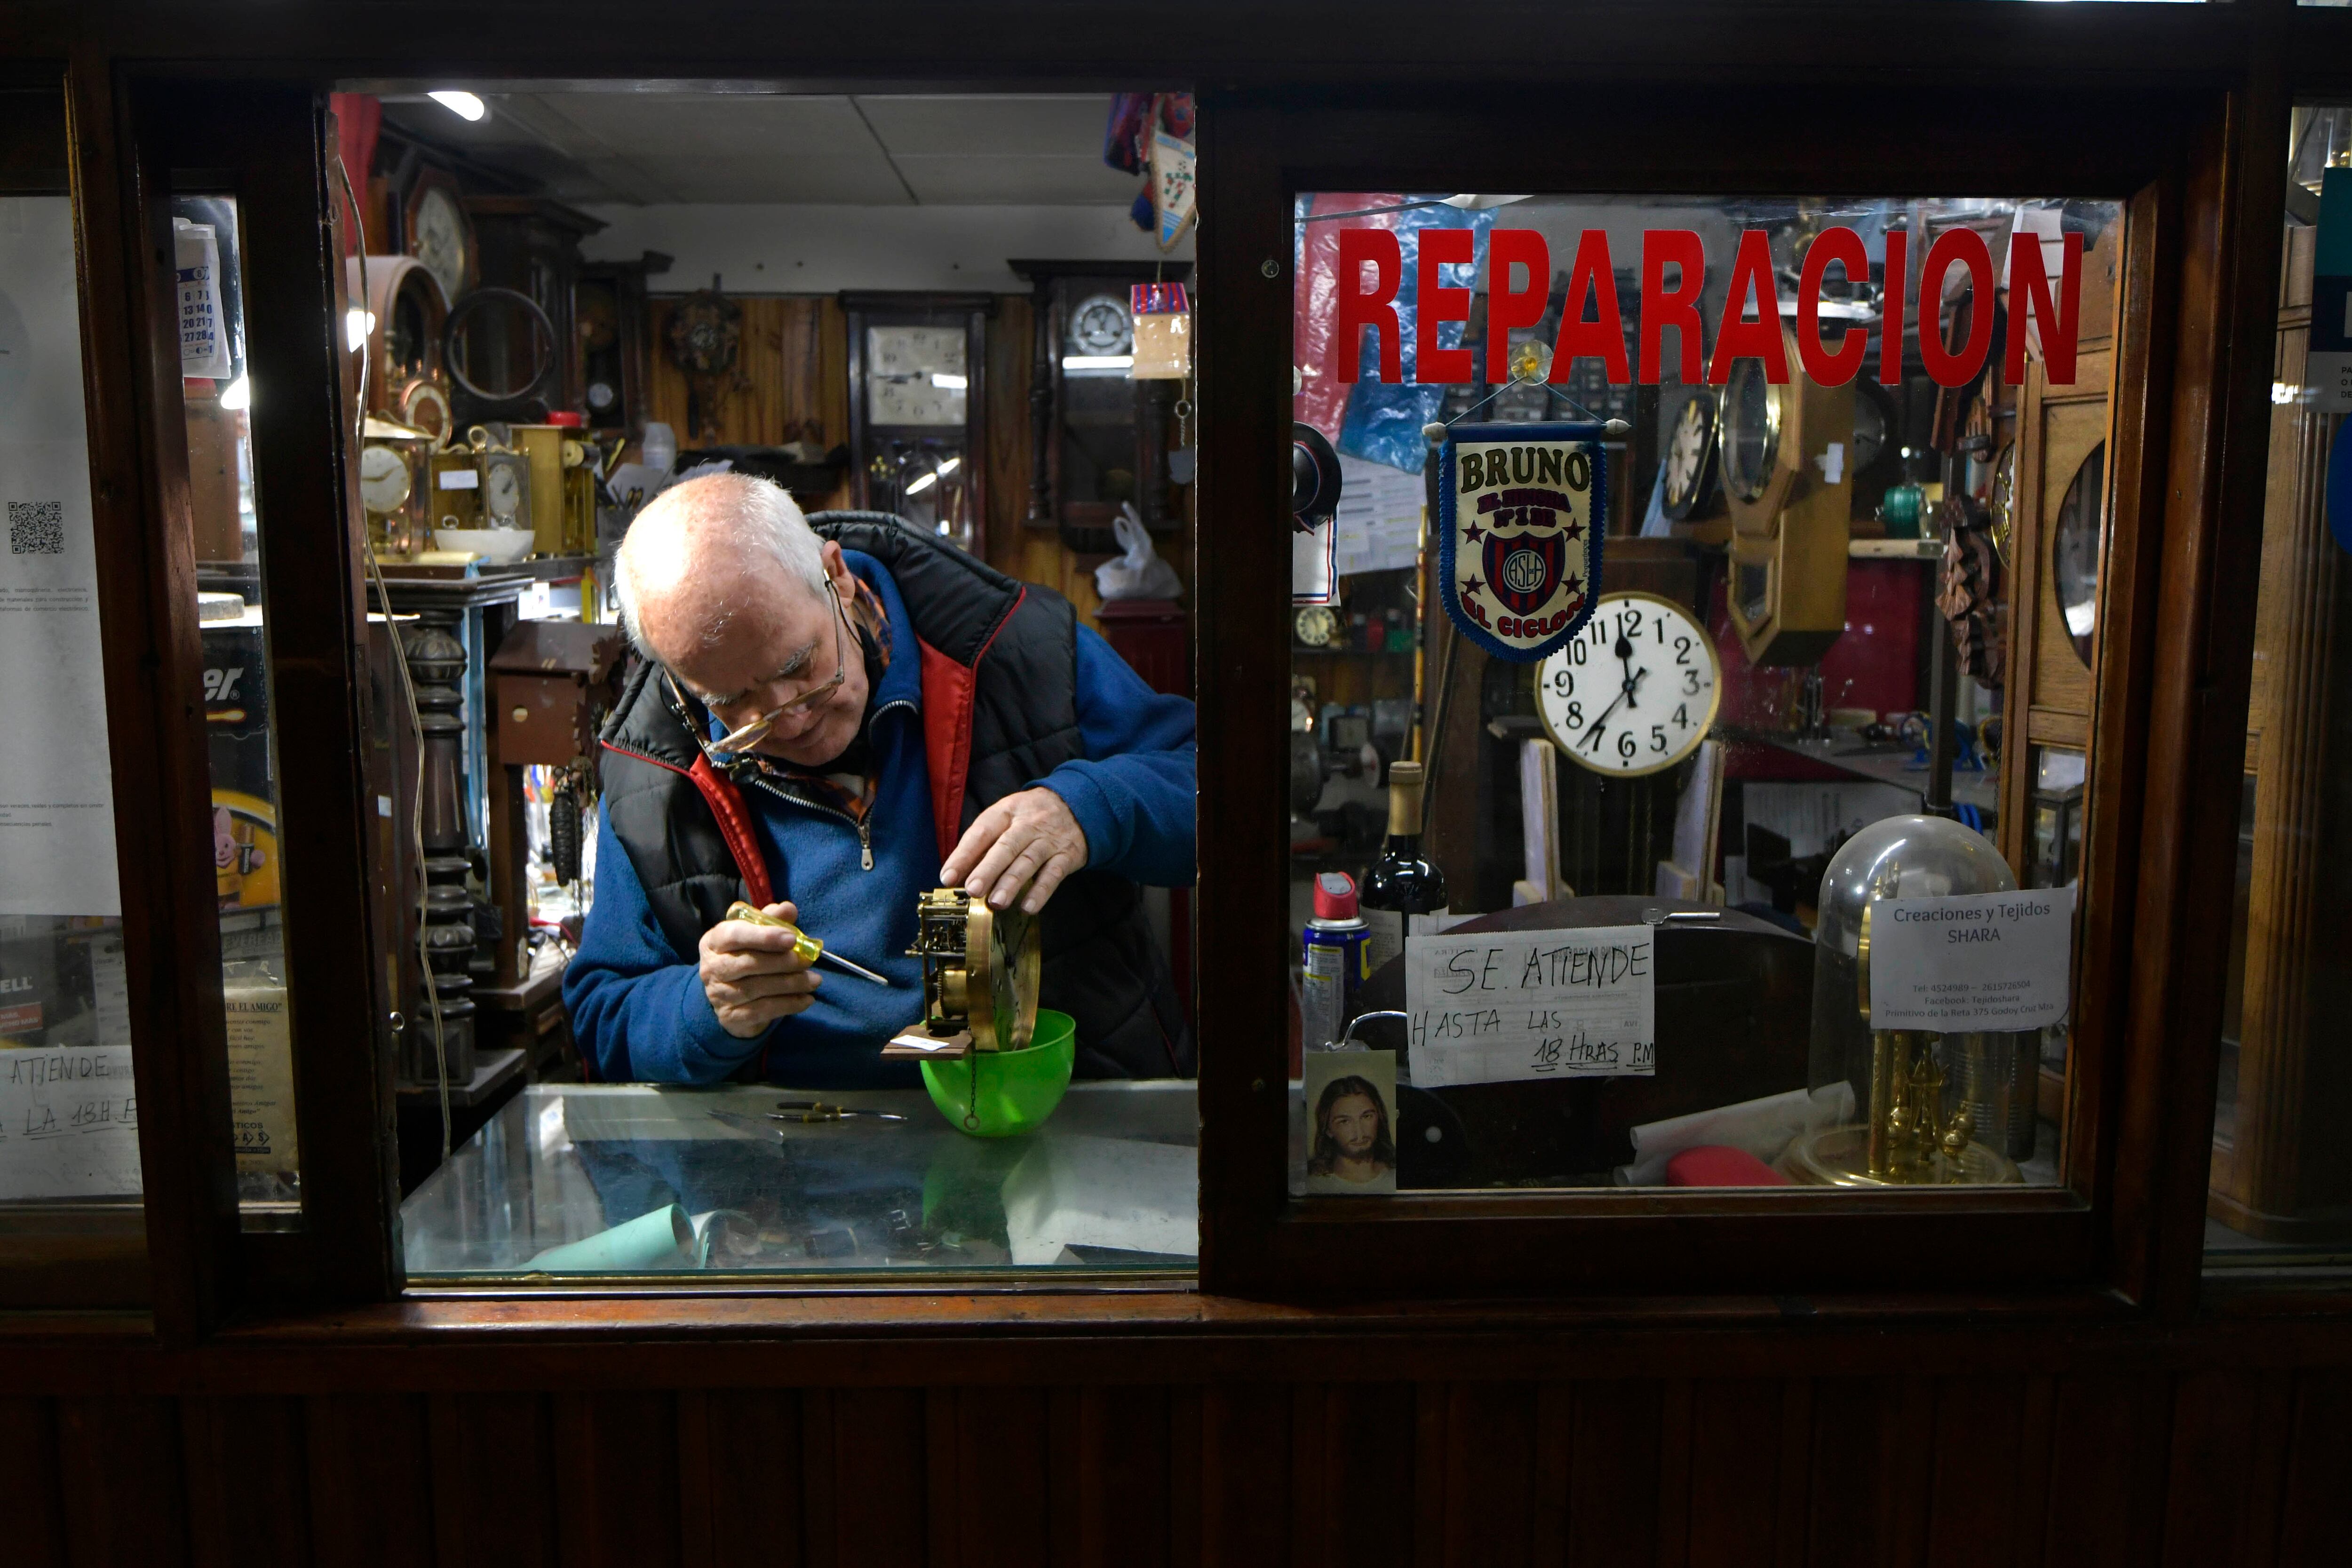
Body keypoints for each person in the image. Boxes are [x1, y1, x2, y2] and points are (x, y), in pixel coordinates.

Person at [564, 473, 1195, 1086]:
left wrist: (1088, 808)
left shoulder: (1017, 652)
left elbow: (1224, 794)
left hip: (1052, 1112)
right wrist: (704, 1011)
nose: (792, 716)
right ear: (682, 680)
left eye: (800, 664)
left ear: (836, 577)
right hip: (792, 1152)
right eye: (734, 702)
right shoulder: (655, 768)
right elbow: (603, 1014)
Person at [1306, 1075, 1395, 1185]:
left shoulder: (1397, 1176)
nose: (1359, 1132)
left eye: (1367, 1117)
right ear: (1328, 1130)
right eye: (1345, 1122)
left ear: (1380, 1118)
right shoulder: (1313, 1184)